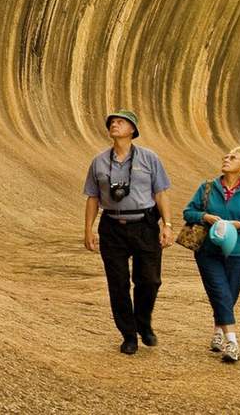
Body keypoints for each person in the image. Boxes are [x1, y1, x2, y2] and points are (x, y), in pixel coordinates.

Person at [83, 110, 174, 355]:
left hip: (144, 224)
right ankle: (128, 334)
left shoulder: (149, 158)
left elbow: (160, 194)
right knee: (118, 284)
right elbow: (92, 197)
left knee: (150, 280)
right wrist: (88, 229)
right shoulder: (99, 161)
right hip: (112, 226)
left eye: (120, 122)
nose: (114, 124)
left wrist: (167, 225)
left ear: (132, 130)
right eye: (112, 122)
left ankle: (143, 322)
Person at [182, 146, 240, 363]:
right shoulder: (207, 187)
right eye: (226, 156)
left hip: (238, 252)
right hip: (208, 251)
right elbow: (188, 212)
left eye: (232, 157)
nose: (226, 159)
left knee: (229, 295)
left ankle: (218, 333)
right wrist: (205, 217)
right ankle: (232, 342)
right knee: (220, 292)